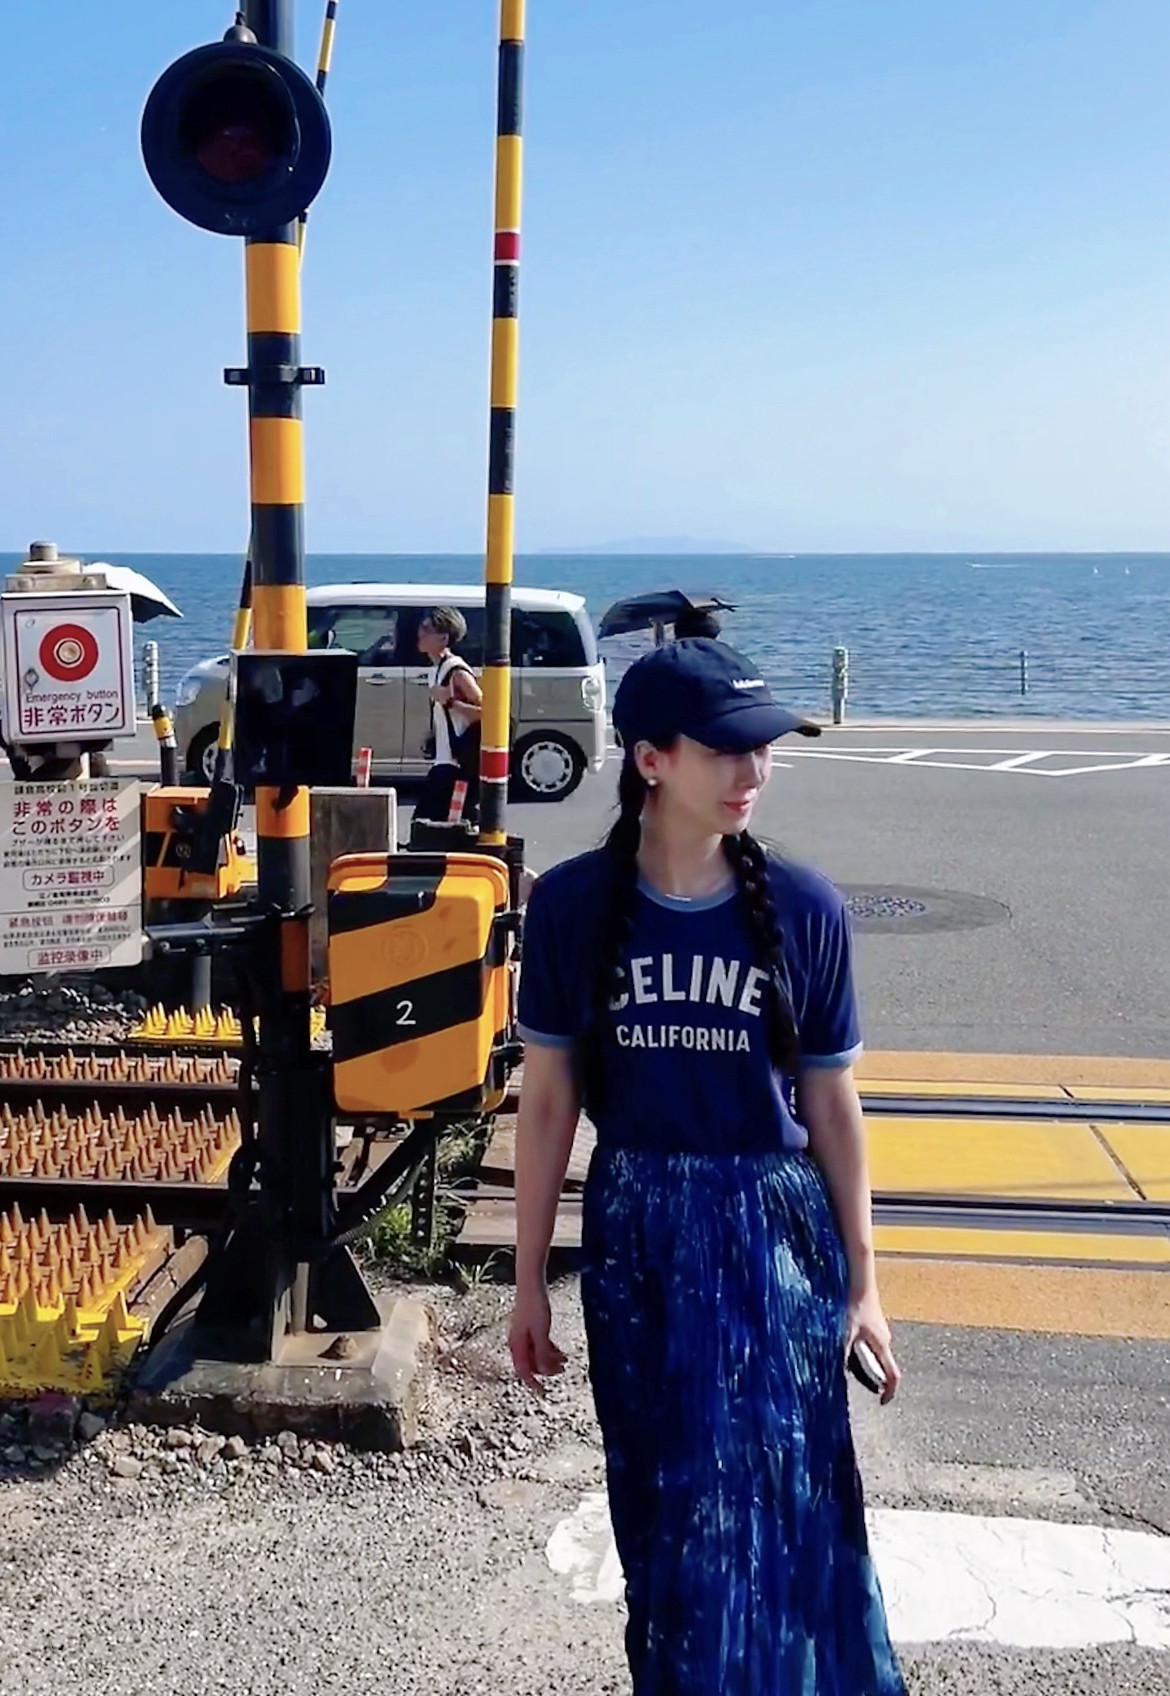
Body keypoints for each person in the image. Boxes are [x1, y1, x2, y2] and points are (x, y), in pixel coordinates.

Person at [509, 638, 906, 1696]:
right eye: (728, 749)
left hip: (775, 1234)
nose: (754, 770)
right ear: (651, 760)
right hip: (638, 1234)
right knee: (667, 1512)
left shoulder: (806, 908)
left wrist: (864, 1285)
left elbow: (832, 1105)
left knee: (788, 1499)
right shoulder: (573, 907)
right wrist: (528, 1281)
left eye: (764, 748)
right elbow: (546, 1103)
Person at [414, 606, 483, 823]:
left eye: (427, 629)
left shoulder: (456, 671)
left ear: (443, 638)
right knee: (446, 826)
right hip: (445, 762)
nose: (420, 633)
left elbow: (488, 714)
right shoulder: (436, 669)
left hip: (455, 765)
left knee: (427, 824)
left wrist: (451, 702)